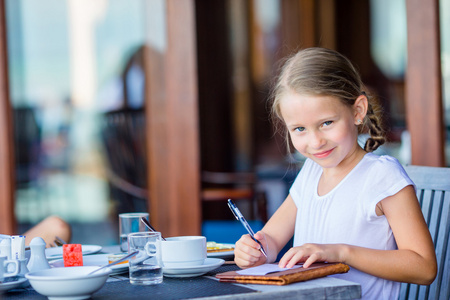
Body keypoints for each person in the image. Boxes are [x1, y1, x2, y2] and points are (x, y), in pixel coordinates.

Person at [234, 47, 437, 299]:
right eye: (299, 129)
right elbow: (272, 240)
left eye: (326, 123)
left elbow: (424, 267)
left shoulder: (382, 176)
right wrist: (255, 250)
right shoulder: (311, 171)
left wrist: (341, 253)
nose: (315, 141)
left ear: (357, 111)